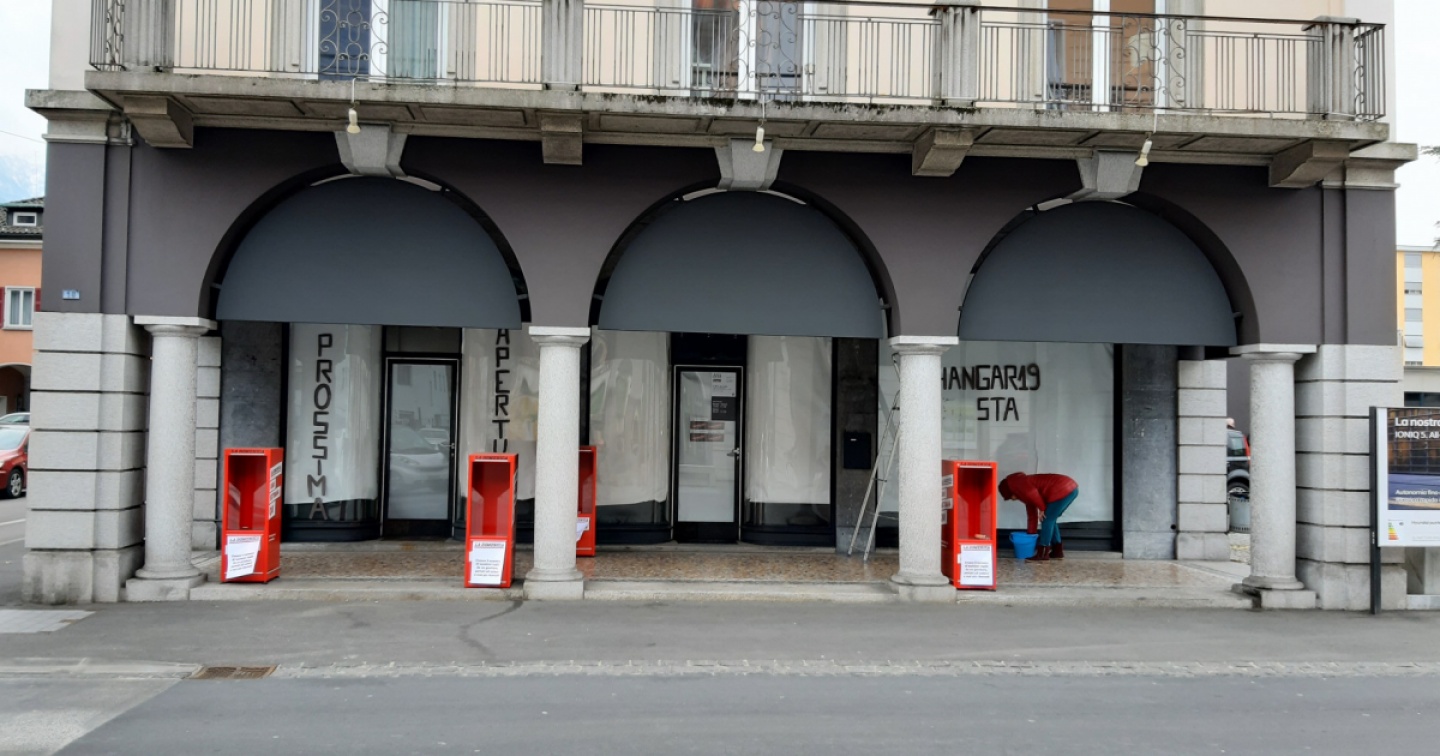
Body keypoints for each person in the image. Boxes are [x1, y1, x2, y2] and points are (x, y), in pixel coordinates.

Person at [998, 472, 1078, 562]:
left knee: (1047, 519)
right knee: (1050, 519)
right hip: (1070, 488)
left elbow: (1033, 493)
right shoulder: (1023, 491)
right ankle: (1057, 551)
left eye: (1010, 497)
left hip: (1062, 488)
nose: (1012, 499)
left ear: (1011, 490)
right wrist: (1031, 535)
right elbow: (1032, 516)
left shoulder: (1021, 484)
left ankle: (1042, 554)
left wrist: (1042, 508)